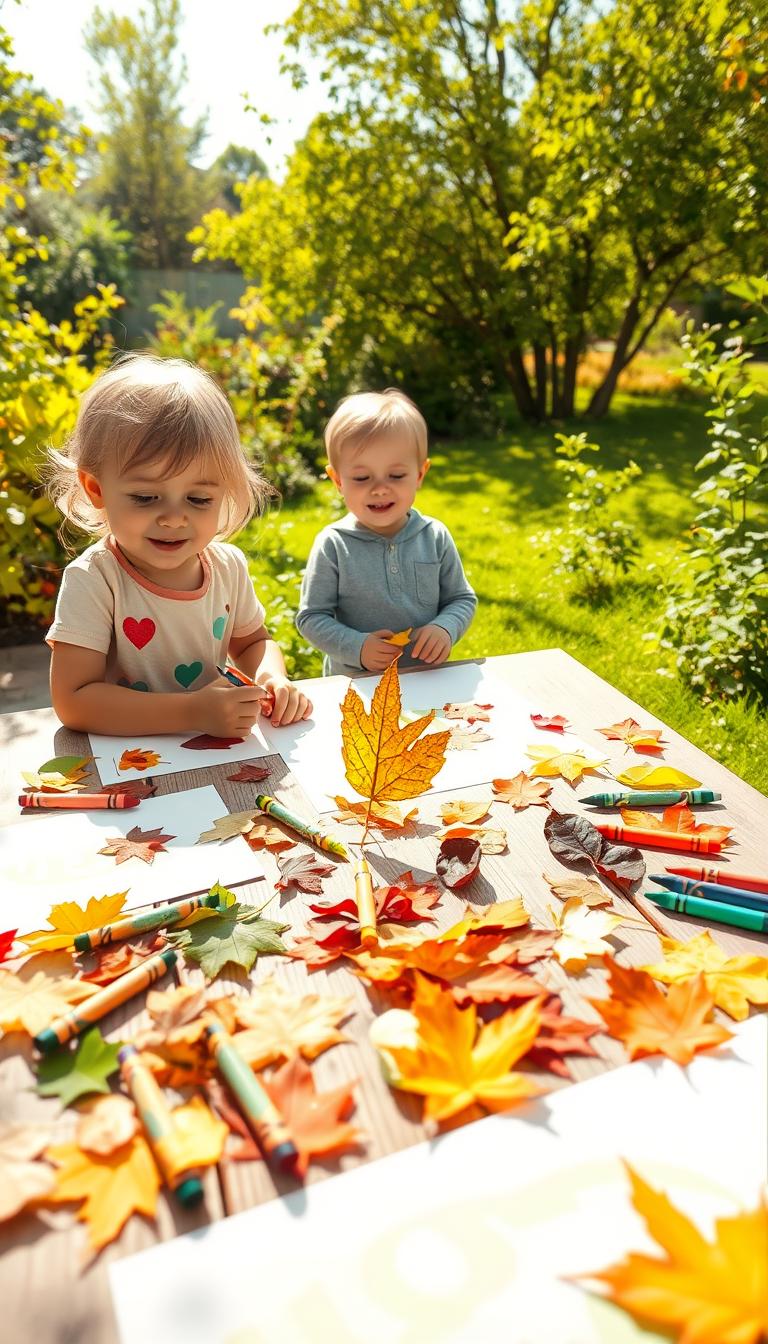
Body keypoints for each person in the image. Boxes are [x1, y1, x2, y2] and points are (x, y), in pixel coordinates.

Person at [46, 352, 312, 736]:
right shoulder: (95, 580)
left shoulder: (227, 566)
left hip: (219, 753)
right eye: (145, 497)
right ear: (96, 488)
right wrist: (192, 713)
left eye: (199, 499)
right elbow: (73, 701)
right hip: (127, 767)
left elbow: (253, 641)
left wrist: (271, 675)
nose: (173, 518)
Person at [297, 389, 476, 676]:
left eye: (396, 475)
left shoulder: (434, 536)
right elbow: (311, 617)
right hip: (357, 685)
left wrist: (445, 627)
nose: (380, 488)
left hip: (427, 677)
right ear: (337, 480)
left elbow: (461, 599)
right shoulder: (333, 545)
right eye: (362, 477)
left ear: (419, 474)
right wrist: (358, 647)